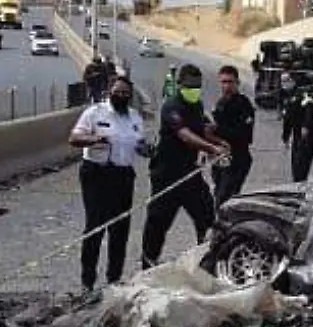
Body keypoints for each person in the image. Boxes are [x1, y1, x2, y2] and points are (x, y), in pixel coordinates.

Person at [141, 64, 227, 269]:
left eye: (197, 86)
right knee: (158, 222)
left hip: (190, 174)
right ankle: (148, 264)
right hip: (167, 175)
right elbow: (185, 135)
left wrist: (219, 142)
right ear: (180, 84)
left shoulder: (196, 105)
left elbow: (202, 130)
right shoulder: (171, 106)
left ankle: (207, 262)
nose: (194, 90)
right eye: (190, 86)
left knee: (208, 217)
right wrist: (211, 148)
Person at [68, 76, 147, 293]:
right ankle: (87, 282)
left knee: (120, 229)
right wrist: (95, 139)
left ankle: (114, 279)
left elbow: (139, 144)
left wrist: (146, 150)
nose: (121, 96)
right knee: (95, 226)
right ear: (109, 92)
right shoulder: (95, 113)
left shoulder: (135, 117)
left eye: (125, 93)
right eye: (117, 92)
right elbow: (74, 138)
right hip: (97, 174)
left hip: (123, 176)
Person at [210, 64, 256, 207]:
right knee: (219, 196)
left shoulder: (243, 105)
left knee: (225, 199)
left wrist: (218, 130)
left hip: (237, 158)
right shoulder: (220, 103)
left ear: (237, 83)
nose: (227, 86)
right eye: (223, 82)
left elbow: (245, 135)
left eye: (230, 82)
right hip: (220, 159)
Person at [283, 75, 313, 182]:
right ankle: (297, 182)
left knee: (302, 162)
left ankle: (300, 182)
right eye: (282, 81)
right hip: (296, 131)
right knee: (295, 162)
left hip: (307, 132)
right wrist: (285, 136)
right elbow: (288, 119)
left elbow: (309, 110)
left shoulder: (303, 95)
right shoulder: (288, 96)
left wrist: (306, 126)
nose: (284, 84)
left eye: (286, 81)